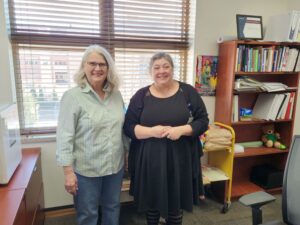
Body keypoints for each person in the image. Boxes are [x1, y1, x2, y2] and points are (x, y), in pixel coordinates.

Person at [124, 52, 209, 225]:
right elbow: (129, 127)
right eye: (156, 67)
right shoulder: (141, 96)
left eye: (166, 66)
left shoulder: (188, 92)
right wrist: (151, 131)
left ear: (172, 69)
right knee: (152, 203)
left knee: (175, 205)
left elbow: (203, 120)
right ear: (150, 71)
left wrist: (182, 130)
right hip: (150, 159)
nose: (161, 71)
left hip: (180, 158)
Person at [56, 45, 128, 225]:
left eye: (102, 64)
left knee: (112, 208)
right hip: (86, 170)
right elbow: (64, 136)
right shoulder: (72, 97)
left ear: (108, 68)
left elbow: (122, 129)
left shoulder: (116, 95)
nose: (97, 68)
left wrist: (127, 155)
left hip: (114, 167)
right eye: (92, 63)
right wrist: (68, 173)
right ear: (84, 66)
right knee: (88, 214)